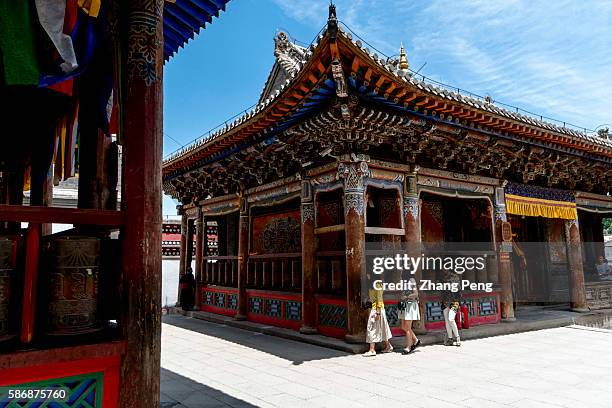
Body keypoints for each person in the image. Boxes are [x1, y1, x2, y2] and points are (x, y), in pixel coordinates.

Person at [363, 281, 393, 357]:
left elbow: (379, 299)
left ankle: (372, 349)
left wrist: (378, 313)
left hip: (377, 310)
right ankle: (388, 346)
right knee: (382, 328)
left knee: (371, 328)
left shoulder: (378, 284)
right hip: (375, 308)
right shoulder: (371, 285)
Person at [398, 277, 421, 355]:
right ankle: (416, 340)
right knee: (403, 327)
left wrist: (407, 297)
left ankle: (409, 347)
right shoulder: (402, 280)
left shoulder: (411, 280)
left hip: (410, 305)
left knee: (407, 327)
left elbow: (416, 294)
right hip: (403, 305)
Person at [441, 269, 462, 347]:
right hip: (445, 301)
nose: (444, 270)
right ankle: (450, 339)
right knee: (447, 320)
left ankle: (457, 337)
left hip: (454, 301)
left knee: (451, 319)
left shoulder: (455, 278)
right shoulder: (443, 278)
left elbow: (457, 290)